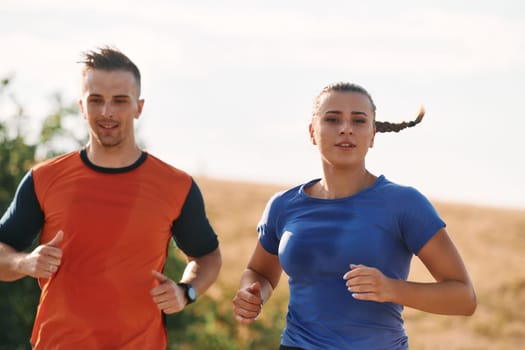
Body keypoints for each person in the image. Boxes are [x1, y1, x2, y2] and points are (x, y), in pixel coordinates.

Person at [0, 46, 222, 349]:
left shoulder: (176, 185)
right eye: (96, 100)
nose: (107, 112)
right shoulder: (44, 179)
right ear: (81, 106)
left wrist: (187, 292)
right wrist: (25, 262)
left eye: (119, 101)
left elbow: (207, 257)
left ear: (138, 107)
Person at [232, 82, 476, 350]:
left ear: (372, 135)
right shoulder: (283, 205)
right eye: (333, 119)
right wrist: (252, 294)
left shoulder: (404, 203)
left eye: (358, 121)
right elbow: (259, 273)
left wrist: (392, 289)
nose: (345, 128)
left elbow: (464, 297)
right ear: (313, 131)